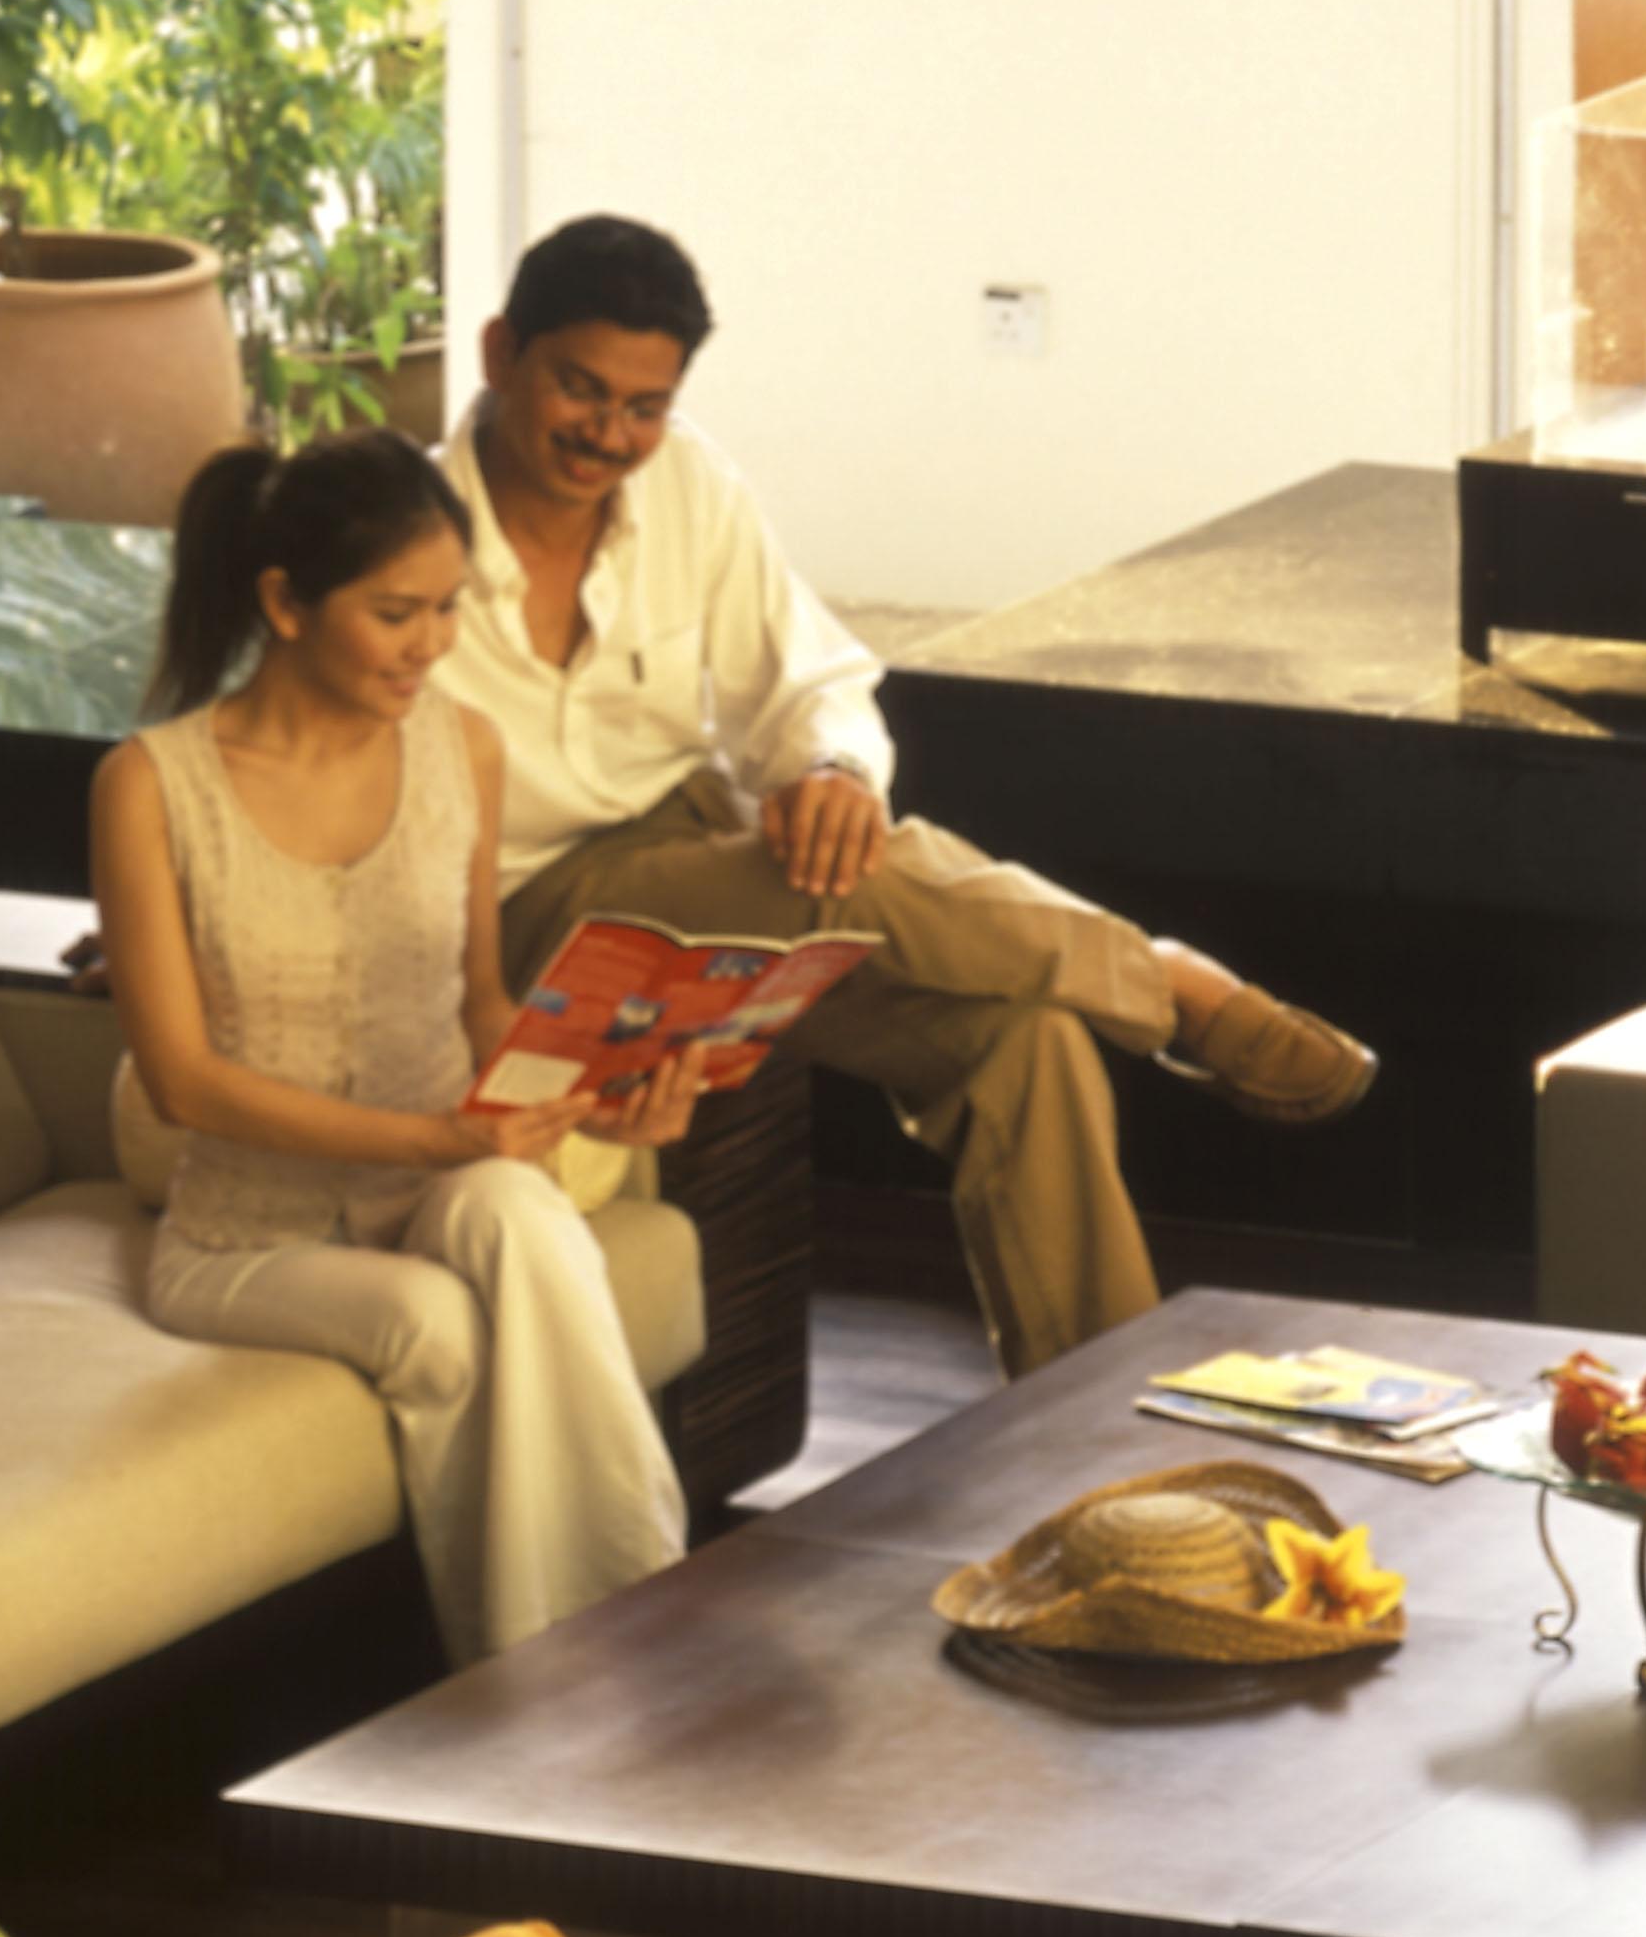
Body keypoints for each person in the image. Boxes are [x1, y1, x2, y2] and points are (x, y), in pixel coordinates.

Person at [441, 212, 1374, 1379]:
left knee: (1022, 1037)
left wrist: (829, 767)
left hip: (707, 878)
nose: (610, 434)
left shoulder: (686, 482)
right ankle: (1165, 985)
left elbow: (811, 681)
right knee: (832, 871)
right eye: (580, 391)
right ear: (497, 354)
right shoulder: (411, 540)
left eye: (645, 405)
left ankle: (1094, 1437)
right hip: (536, 918)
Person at [94, 419, 701, 1663]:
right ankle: (532, 1681)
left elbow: (481, 999)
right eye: (395, 613)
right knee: (431, 1321)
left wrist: (599, 1093)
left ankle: (638, 1643)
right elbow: (182, 1082)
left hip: (440, 1178)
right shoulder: (151, 785)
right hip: (243, 1238)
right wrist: (432, 1137)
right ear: (286, 601)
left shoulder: (460, 751)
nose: (432, 647)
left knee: (524, 1221)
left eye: (447, 610)